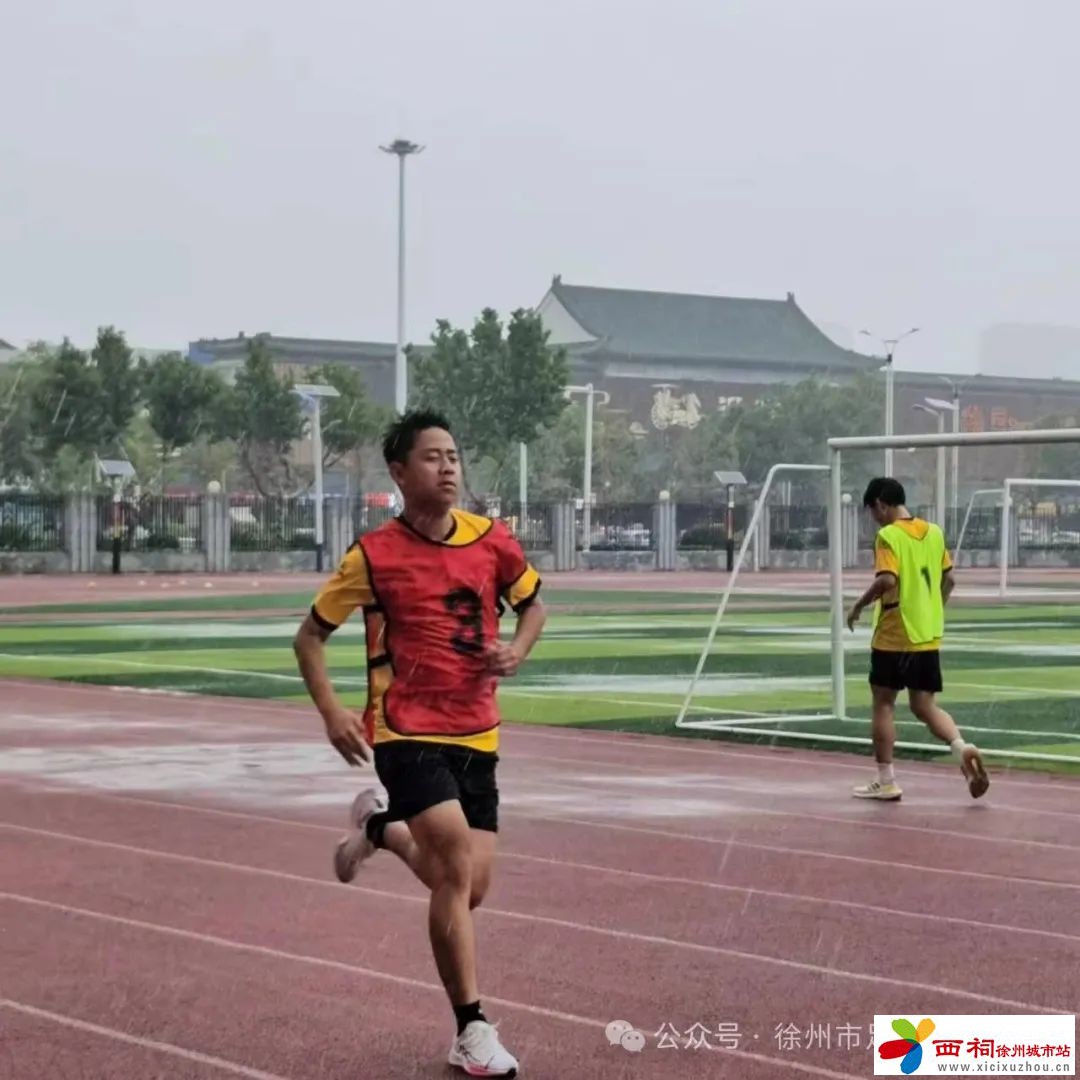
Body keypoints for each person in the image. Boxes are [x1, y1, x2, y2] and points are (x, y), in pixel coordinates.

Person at [293, 410, 546, 1078]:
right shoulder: (373, 556)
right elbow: (309, 637)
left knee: (465, 887)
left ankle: (379, 829)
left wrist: (517, 650)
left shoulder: (492, 540)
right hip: (405, 730)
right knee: (455, 864)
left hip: (478, 731)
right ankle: (471, 1029)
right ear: (400, 473)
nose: (448, 466)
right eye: (432, 457)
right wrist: (332, 712)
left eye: (453, 455)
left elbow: (534, 604)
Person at [846, 477, 989, 802]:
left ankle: (886, 780)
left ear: (881, 504)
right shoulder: (934, 532)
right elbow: (949, 580)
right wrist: (932, 607)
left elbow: (886, 580)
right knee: (924, 705)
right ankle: (961, 748)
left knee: (883, 703)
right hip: (927, 634)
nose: (875, 519)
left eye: (873, 512)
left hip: (895, 634)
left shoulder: (888, 536)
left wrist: (858, 605)